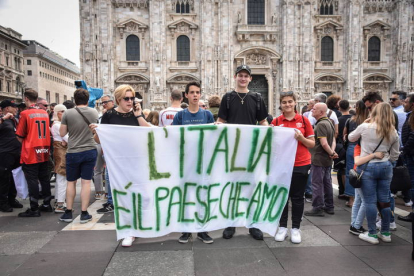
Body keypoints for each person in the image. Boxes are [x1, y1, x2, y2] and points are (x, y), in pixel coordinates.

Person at [92, 84, 150, 247]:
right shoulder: (109, 115)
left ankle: (139, 225)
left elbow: (149, 132)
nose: (130, 101)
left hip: (137, 160)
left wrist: (139, 116)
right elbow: (98, 140)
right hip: (118, 162)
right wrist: (96, 131)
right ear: (118, 99)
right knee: (123, 196)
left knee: (141, 195)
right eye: (127, 98)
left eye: (132, 98)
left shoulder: (135, 114)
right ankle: (128, 231)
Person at [217, 64, 269, 240]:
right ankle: (230, 223)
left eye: (246, 76)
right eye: (240, 75)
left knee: (252, 187)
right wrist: (218, 126)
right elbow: (221, 120)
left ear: (250, 79)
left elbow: (262, 121)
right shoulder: (228, 97)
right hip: (231, 150)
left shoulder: (257, 98)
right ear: (235, 77)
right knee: (231, 186)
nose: (243, 78)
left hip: (251, 149)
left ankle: (253, 224)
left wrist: (270, 133)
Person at [348, 103, 399, 244]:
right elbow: (395, 154)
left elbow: (351, 138)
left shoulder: (365, 127)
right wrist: (388, 160)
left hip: (368, 166)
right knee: (385, 201)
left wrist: (364, 123)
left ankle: (372, 233)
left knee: (370, 201)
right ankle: (386, 232)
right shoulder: (393, 131)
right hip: (386, 167)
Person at [172, 82, 215, 244]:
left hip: (203, 162)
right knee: (187, 195)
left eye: (198, 92)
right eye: (192, 92)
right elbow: (173, 136)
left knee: (203, 195)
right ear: (186, 95)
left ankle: (203, 230)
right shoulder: (181, 116)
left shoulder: (207, 115)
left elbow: (213, 138)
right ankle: (186, 230)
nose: (195, 95)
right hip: (186, 162)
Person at [272, 91, 315, 244]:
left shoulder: (303, 120)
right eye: (284, 102)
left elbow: (312, 144)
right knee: (282, 197)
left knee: (297, 197)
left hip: (301, 163)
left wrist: (301, 138)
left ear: (295, 102)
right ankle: (282, 227)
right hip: (281, 165)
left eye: (290, 101)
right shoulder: (276, 121)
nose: (287, 104)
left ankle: (295, 228)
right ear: (281, 104)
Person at [59, 88, 99, 224]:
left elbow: (62, 132)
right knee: (86, 182)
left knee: (71, 182)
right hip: (89, 150)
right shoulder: (94, 112)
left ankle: (68, 212)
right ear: (88, 100)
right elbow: (96, 131)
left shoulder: (68, 113)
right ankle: (84, 213)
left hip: (73, 151)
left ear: (74, 99)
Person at [16, 89, 53, 217]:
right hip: (44, 148)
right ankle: (47, 203)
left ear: (26, 98)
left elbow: (20, 135)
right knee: (44, 178)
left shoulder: (25, 114)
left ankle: (34, 207)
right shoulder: (44, 113)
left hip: (31, 150)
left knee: (32, 179)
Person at [304, 103, 338, 217]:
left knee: (317, 183)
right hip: (326, 158)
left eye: (314, 109)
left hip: (319, 158)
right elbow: (333, 140)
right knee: (326, 182)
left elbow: (323, 143)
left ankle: (317, 207)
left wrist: (331, 153)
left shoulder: (321, 124)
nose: (312, 110)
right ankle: (329, 206)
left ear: (321, 112)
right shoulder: (329, 122)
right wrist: (332, 153)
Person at [342, 101, 369, 207]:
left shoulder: (351, 120)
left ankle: (351, 199)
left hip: (353, 147)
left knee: (351, 172)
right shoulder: (369, 121)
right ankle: (363, 198)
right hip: (366, 148)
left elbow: (345, 135)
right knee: (365, 173)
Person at [0, 99, 23, 212]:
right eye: (14, 107)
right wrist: (3, 118)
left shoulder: (14, 120)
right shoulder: (3, 120)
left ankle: (12, 199)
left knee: (14, 177)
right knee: (4, 178)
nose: (16, 109)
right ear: (7, 108)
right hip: (5, 153)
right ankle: (3, 202)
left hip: (16, 153)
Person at [398, 93, 414, 222]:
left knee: (413, 184)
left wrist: (405, 150)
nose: (404, 104)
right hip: (409, 154)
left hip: (411, 155)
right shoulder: (410, 115)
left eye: (406, 102)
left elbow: (413, 136)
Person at [50, 104, 68, 213]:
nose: (65, 113)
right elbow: (68, 138)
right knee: (62, 177)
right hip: (62, 152)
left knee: (60, 177)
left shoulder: (57, 124)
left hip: (60, 151)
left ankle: (59, 201)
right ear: (57, 113)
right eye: (62, 111)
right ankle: (60, 203)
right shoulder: (58, 125)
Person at [335, 100, 351, 198]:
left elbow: (336, 134)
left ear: (339, 108)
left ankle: (343, 191)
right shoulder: (353, 119)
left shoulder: (338, 120)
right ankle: (349, 192)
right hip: (350, 145)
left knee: (341, 170)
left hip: (340, 146)